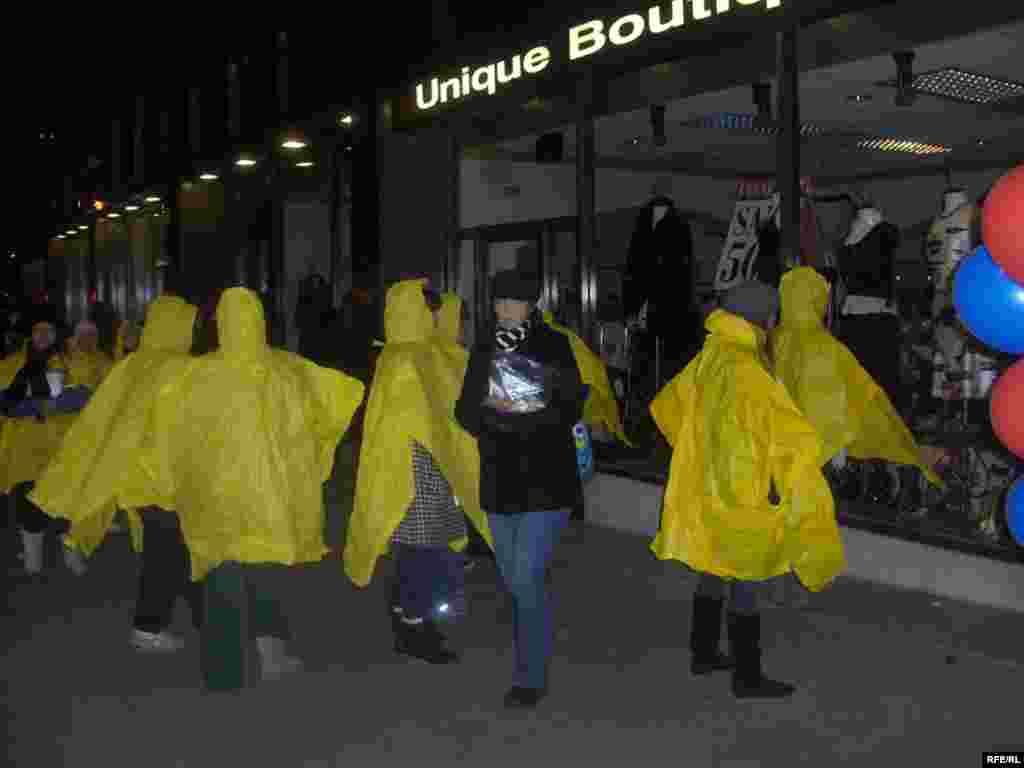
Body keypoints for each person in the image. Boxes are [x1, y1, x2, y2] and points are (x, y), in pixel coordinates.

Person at [137, 287, 364, 691]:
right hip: (269, 495)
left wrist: (165, 482)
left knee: (221, 576)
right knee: (266, 568)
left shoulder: (194, 374)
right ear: (260, 320)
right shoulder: (284, 371)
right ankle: (272, 651)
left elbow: (170, 433)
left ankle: (223, 673)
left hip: (213, 497)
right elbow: (317, 416)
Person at [650, 279, 845, 700]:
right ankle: (747, 676)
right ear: (765, 319)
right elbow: (782, 435)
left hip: (705, 481)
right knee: (747, 576)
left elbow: (668, 407)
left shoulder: (712, 356)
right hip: (743, 487)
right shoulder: (750, 371)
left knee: (712, 564)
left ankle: (702, 654)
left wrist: (694, 456)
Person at [30, 295, 204, 652]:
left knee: (173, 549)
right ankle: (151, 627)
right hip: (166, 478)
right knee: (169, 551)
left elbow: (105, 414)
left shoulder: (134, 364)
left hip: (137, 474)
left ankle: (196, 620)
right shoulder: (181, 368)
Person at [454, 269, 586, 709]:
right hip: (500, 480)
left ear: (531, 305)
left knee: (526, 577)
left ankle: (529, 676)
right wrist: (493, 412)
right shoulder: (485, 349)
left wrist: (521, 413)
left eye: (512, 301)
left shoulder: (554, 345)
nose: (503, 309)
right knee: (514, 580)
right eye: (498, 302)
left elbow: (569, 408)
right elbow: (465, 413)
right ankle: (537, 635)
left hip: (547, 482)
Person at [345, 280, 491, 665]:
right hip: (418, 471)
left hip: (414, 470)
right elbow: (424, 419)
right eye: (426, 307)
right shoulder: (410, 359)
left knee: (418, 552)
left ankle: (406, 620)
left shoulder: (404, 356)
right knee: (428, 554)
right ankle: (415, 627)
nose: (434, 315)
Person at [771, 267, 943, 498]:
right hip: (818, 464)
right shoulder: (826, 347)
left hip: (781, 457)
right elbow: (838, 409)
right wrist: (840, 462)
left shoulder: (775, 341)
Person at [0, 305, 89, 578]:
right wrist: (34, 407)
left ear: (55, 334)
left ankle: (71, 551)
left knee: (66, 501)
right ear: (30, 332)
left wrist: (57, 405)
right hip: (25, 448)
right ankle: (32, 556)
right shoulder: (13, 363)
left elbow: (86, 395)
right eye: (37, 329)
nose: (42, 335)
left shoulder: (69, 362)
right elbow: (4, 402)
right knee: (29, 502)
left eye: (48, 330)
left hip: (61, 445)